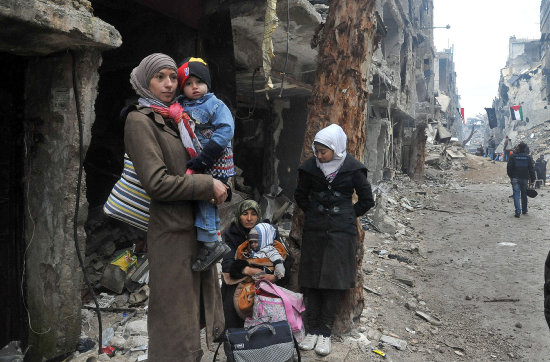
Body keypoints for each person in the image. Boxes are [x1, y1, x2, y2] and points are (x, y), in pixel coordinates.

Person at [124, 53, 227, 361]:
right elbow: (157, 183)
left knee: (192, 318)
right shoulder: (139, 120)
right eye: (160, 78)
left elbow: (199, 163)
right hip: (171, 234)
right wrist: (207, 186)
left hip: (194, 230)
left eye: (173, 77)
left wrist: (223, 185)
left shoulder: (176, 117)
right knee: (173, 320)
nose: (169, 84)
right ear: (145, 81)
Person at [294, 124, 375, 356]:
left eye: (323, 152)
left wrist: (347, 215)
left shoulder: (353, 169)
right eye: (317, 151)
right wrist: (315, 212)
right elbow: (300, 196)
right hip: (315, 231)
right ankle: (311, 330)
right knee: (311, 280)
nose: (319, 156)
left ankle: (325, 332)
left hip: (342, 235)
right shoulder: (310, 168)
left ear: (336, 149)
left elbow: (367, 200)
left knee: (333, 281)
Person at [176, 57, 236, 272]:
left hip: (215, 160)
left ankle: (211, 242)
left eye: (198, 82)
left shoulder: (215, 104)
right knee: (202, 198)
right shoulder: (181, 105)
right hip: (200, 160)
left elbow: (226, 130)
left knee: (206, 198)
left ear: (207, 84)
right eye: (188, 83)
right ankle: (211, 239)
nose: (194, 87)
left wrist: (206, 156)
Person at [220, 200, 291, 328]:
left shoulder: (268, 231)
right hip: (243, 277)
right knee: (231, 295)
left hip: (270, 276)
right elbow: (227, 264)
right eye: (245, 214)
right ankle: (234, 337)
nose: (249, 218)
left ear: (258, 216)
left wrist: (273, 276)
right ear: (238, 215)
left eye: (253, 214)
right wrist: (252, 271)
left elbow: (284, 259)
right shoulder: (232, 233)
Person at [507, 142, 535, 218]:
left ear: (518, 147)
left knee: (516, 194)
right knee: (524, 194)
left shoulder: (513, 156)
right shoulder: (528, 157)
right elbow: (531, 169)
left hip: (515, 178)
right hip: (525, 178)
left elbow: (509, 168)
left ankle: (517, 211)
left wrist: (511, 176)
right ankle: (524, 210)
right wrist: (533, 179)